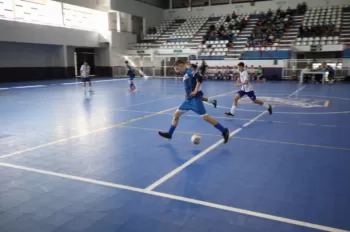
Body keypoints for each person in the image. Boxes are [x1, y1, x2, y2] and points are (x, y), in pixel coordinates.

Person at [158, 60, 229, 143]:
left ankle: (224, 131)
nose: (177, 71)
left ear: (181, 66)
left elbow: (200, 77)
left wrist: (195, 90)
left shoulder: (189, 72)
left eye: (177, 69)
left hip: (195, 100)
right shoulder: (185, 74)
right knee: (176, 115)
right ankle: (169, 134)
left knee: (206, 118)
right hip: (187, 100)